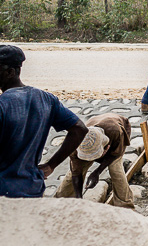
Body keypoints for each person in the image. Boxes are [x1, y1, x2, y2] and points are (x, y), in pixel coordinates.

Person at [0, 45, 88, 198]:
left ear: (10, 72)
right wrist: (51, 165)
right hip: (32, 188)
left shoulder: (3, 104)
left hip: (4, 192)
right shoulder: (46, 99)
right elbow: (79, 129)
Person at [54, 113, 134, 208]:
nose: (92, 160)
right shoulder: (75, 146)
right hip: (96, 125)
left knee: (116, 171)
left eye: (94, 156)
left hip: (116, 127)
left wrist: (97, 172)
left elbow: (115, 154)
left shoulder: (115, 132)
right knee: (71, 174)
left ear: (106, 148)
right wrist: (79, 199)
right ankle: (60, 202)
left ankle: (125, 206)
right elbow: (76, 173)